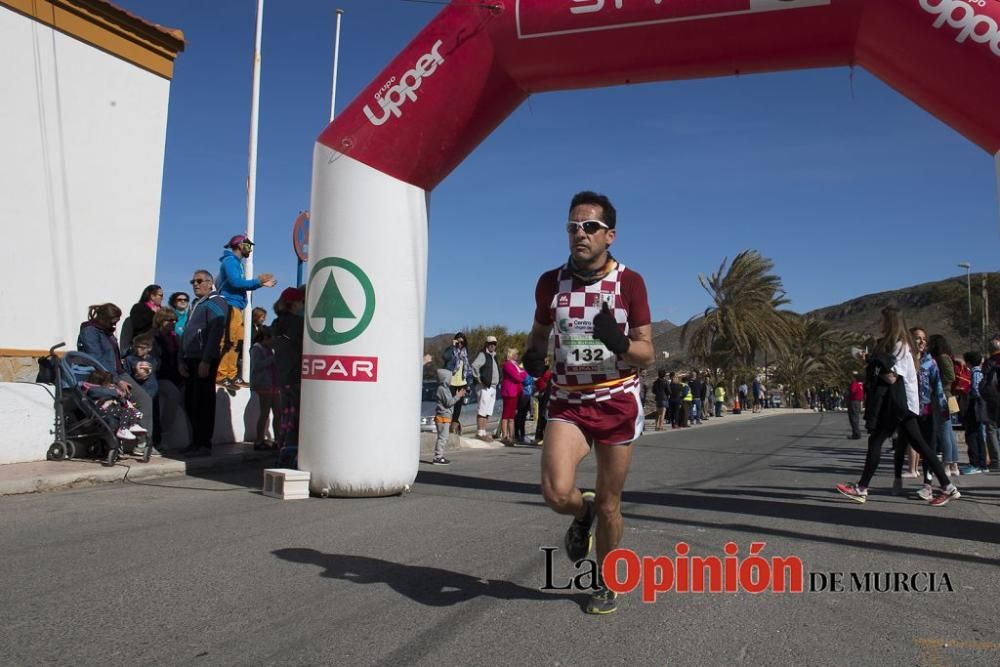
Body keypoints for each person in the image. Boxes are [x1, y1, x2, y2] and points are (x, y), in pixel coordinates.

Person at [522, 191, 654, 615]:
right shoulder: (550, 282)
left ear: (609, 235)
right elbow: (539, 334)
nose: (580, 234)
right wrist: (531, 356)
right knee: (557, 492)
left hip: (616, 399)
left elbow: (647, 352)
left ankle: (606, 580)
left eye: (590, 227)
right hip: (569, 401)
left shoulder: (629, 282)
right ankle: (583, 514)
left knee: (612, 504)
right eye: (573, 227)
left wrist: (618, 342)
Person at [836, 307, 959, 506]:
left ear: (890, 322)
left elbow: (892, 378)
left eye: (882, 320)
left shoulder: (900, 346)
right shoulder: (900, 346)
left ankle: (861, 488)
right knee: (920, 445)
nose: (879, 324)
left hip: (900, 405)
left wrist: (871, 362)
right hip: (904, 405)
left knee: (877, 441)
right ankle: (948, 486)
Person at [77, 303, 154, 438]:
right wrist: (117, 381)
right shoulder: (90, 331)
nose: (115, 324)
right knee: (139, 401)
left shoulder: (108, 332)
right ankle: (141, 442)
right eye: (114, 321)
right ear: (104, 318)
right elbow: (97, 359)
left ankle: (140, 441)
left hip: (118, 373)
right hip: (105, 376)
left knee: (143, 399)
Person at [215, 235, 277, 387]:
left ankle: (231, 374)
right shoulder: (230, 261)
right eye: (248, 245)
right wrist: (258, 282)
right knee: (229, 340)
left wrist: (259, 283)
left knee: (236, 342)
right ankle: (222, 374)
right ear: (240, 245)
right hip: (229, 304)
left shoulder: (236, 263)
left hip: (236, 306)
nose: (250, 249)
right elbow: (236, 282)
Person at [179, 270, 227, 457]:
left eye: (199, 281)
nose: (195, 284)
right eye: (193, 281)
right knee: (190, 401)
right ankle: (194, 442)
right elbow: (185, 335)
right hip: (190, 358)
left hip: (203, 359)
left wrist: (206, 360)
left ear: (209, 283)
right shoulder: (196, 304)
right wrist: (180, 359)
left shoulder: (216, 302)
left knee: (203, 402)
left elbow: (215, 331)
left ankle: (204, 443)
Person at [273, 287, 305, 454]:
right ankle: (291, 452)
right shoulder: (298, 323)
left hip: (282, 376)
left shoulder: (276, 323)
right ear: (294, 304)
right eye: (301, 302)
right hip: (296, 376)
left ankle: (283, 447)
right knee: (296, 416)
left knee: (285, 414)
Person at [82, 369, 147, 441]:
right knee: (126, 411)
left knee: (127, 410)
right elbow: (106, 392)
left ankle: (132, 424)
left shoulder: (101, 390)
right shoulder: (92, 390)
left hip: (108, 410)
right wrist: (117, 392)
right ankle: (124, 429)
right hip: (101, 411)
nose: (110, 385)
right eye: (108, 383)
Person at [928, 334, 961, 477]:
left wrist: (938, 383)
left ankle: (947, 464)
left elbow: (950, 376)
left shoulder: (941, 357)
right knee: (948, 431)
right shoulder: (945, 356)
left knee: (944, 431)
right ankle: (953, 464)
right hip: (947, 397)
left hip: (943, 397)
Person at [250, 325, 279, 450]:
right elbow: (257, 366)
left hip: (274, 384)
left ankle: (278, 439)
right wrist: (272, 359)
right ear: (265, 337)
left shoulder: (269, 349)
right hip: (264, 385)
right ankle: (259, 440)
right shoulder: (257, 349)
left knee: (278, 413)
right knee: (265, 413)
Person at [432, 368, 466, 465]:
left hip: (444, 416)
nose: (451, 380)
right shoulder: (442, 389)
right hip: (442, 417)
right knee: (443, 437)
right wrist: (458, 396)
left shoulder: (444, 389)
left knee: (443, 437)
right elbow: (449, 402)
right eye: (450, 378)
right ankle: (438, 457)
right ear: (445, 378)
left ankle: (439, 456)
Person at [442, 332, 473, 434]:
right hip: (451, 382)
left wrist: (468, 383)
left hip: (462, 383)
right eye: (458, 341)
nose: (460, 343)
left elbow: (468, 369)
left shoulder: (465, 352)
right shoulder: (451, 351)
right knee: (449, 405)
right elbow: (445, 357)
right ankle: (445, 426)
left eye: (462, 342)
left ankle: (453, 428)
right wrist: (452, 345)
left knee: (458, 407)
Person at [471, 336, 500, 441]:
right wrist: (479, 379)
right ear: (486, 344)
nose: (493, 345)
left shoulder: (493, 356)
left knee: (487, 411)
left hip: (492, 387)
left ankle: (483, 432)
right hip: (485, 386)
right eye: (490, 343)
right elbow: (474, 366)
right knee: (482, 409)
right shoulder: (483, 355)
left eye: (494, 343)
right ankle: (480, 432)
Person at [500, 348, 527, 445]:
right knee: (506, 415)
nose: (517, 356)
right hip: (509, 391)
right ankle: (504, 436)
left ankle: (511, 436)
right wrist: (521, 374)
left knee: (511, 416)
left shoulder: (515, 365)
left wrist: (521, 374)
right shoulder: (507, 364)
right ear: (511, 355)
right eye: (515, 354)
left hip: (515, 392)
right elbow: (517, 377)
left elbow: (523, 374)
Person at [534, 358, 552, 445]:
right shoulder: (540, 372)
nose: (545, 364)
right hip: (541, 395)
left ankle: (545, 437)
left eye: (546, 362)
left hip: (546, 395)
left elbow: (548, 384)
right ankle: (538, 436)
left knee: (544, 416)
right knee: (541, 417)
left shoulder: (548, 372)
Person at [847, 372, 864, 439]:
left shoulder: (854, 383)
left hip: (853, 402)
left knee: (853, 418)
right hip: (858, 402)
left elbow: (852, 391)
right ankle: (856, 433)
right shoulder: (860, 384)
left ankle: (856, 434)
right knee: (855, 418)